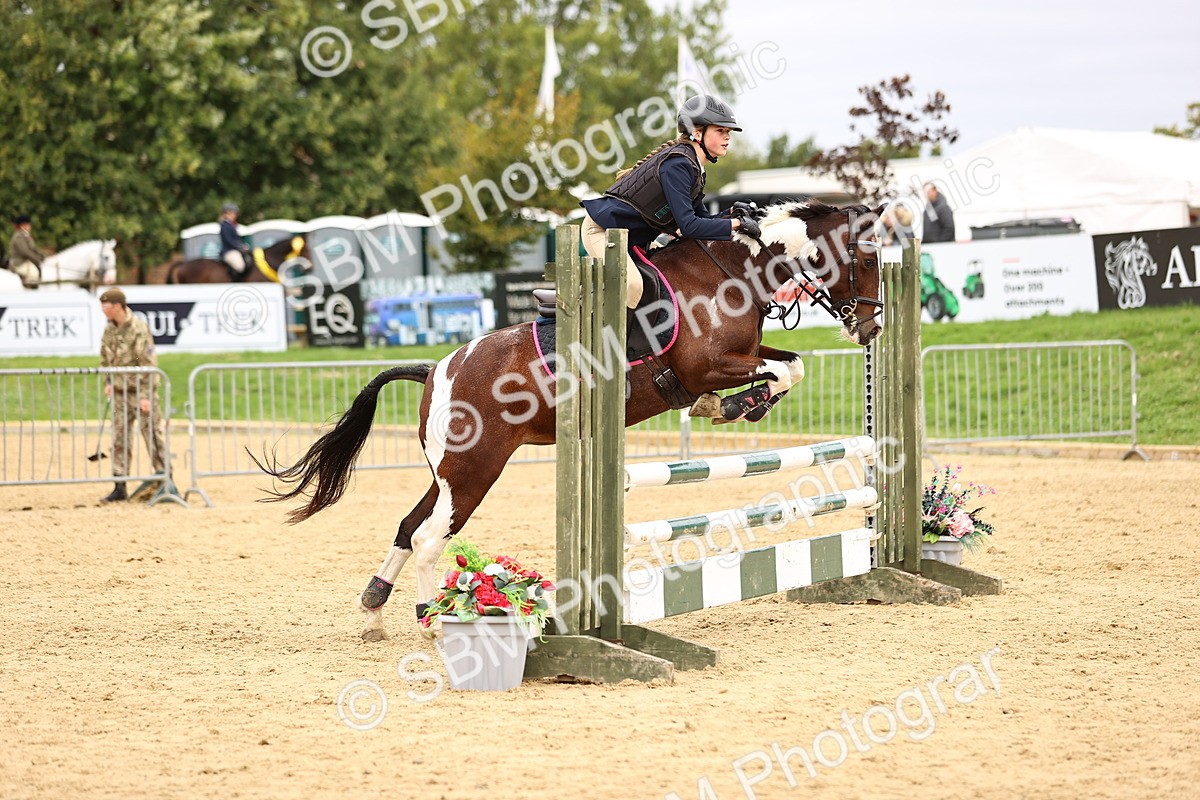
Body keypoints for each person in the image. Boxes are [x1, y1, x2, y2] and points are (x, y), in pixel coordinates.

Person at [580, 94, 760, 311]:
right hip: (602, 232)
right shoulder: (678, 165)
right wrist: (737, 225)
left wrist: (731, 213)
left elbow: (701, 220)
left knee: (668, 275)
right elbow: (689, 227)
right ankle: (608, 343)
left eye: (728, 132)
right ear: (697, 133)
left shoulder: (694, 167)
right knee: (635, 286)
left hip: (631, 239)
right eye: (720, 131)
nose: (727, 137)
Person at [98, 288, 167, 503]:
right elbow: (105, 358)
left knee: (153, 436)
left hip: (140, 392)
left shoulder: (138, 327)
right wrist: (108, 381)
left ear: (118, 306)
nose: (103, 311)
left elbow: (148, 363)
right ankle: (120, 484)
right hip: (120, 393)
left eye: (106, 307)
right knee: (119, 438)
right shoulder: (109, 329)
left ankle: (165, 478)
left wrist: (146, 395)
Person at [9, 213, 48, 287]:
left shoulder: (27, 236)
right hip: (19, 263)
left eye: (28, 224)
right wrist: (37, 259)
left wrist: (43, 255)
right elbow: (25, 252)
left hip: (27, 261)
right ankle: (30, 289)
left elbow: (34, 249)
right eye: (25, 225)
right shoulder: (18, 237)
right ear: (20, 226)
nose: (28, 226)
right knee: (34, 272)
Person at [218, 202, 251, 280]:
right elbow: (228, 240)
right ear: (227, 213)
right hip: (229, 251)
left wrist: (243, 245)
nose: (235, 215)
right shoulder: (224, 225)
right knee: (240, 266)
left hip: (235, 250)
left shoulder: (231, 225)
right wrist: (239, 246)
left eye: (235, 213)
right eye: (233, 213)